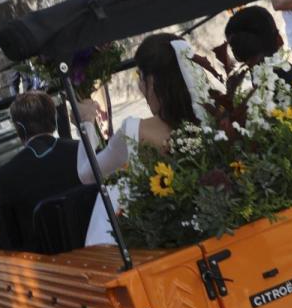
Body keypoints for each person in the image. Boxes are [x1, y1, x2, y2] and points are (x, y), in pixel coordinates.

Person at [76, 34, 205, 246]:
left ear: (151, 81)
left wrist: (87, 122)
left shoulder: (134, 130)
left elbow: (86, 173)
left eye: (139, 77)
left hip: (155, 246)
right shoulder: (215, 118)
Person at [0, 92, 82, 252]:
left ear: (19, 128)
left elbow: (9, 242)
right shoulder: (81, 151)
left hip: (44, 265)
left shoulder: (6, 176)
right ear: (54, 120)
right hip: (94, 248)